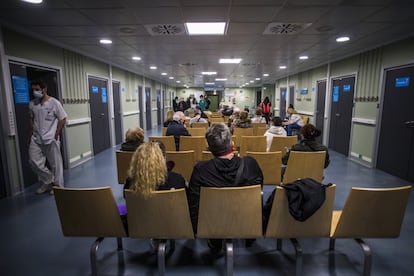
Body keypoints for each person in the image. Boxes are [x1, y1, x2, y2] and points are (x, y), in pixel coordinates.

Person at [188, 123, 263, 250]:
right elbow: (259, 192)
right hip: (247, 220)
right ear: (232, 143)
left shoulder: (201, 170)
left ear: (209, 147)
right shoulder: (251, 164)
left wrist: (196, 228)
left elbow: (193, 202)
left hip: (213, 223)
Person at [28, 79, 67, 194]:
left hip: (51, 137)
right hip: (36, 137)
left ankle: (58, 186)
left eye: (37, 89)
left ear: (44, 89)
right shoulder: (32, 104)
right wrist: (29, 134)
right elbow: (31, 119)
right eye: (33, 90)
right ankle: (49, 180)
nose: (35, 92)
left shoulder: (54, 103)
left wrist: (56, 134)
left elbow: (62, 119)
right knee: (33, 161)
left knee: (56, 164)